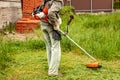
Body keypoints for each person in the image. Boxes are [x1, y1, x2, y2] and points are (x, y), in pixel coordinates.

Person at [32, 0, 63, 76]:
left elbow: (42, 10)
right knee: (56, 49)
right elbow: (51, 13)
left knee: (49, 47)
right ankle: (53, 72)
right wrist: (56, 24)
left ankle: (52, 66)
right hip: (50, 27)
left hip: (43, 26)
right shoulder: (58, 1)